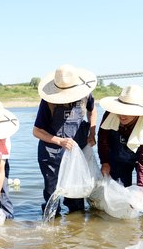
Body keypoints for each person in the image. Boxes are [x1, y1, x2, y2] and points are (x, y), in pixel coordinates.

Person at [32, 64, 97, 214]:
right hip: (51, 154)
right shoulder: (48, 101)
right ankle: (51, 224)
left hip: (76, 152)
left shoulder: (86, 95)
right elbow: (36, 131)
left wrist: (92, 133)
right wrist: (59, 141)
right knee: (52, 193)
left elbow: (92, 111)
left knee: (76, 196)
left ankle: (75, 229)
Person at [97, 85, 143, 213]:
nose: (122, 115)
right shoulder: (109, 116)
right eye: (120, 110)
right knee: (118, 193)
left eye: (128, 111)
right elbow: (103, 140)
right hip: (118, 155)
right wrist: (105, 162)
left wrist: (140, 191)